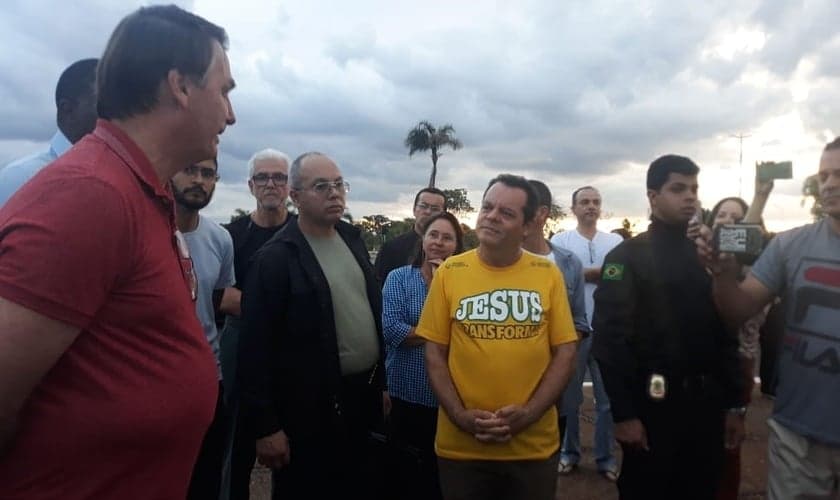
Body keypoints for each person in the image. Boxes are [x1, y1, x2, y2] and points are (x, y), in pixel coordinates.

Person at [0, 5, 236, 499]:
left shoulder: (139, 191)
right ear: (180, 86)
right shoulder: (90, 194)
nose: (231, 114)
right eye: (224, 91)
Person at [592, 155, 745, 500]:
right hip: (652, 409)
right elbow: (611, 340)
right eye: (678, 188)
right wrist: (624, 414)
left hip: (707, 408)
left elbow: (726, 331)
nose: (689, 196)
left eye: (694, 188)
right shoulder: (625, 258)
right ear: (652, 196)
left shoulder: (709, 255)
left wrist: (735, 404)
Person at [417, 174, 578, 500]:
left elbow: (565, 350)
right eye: (487, 207)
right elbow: (434, 351)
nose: (491, 216)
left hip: (531, 448)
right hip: (462, 447)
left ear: (529, 225)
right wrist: (460, 416)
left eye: (506, 212)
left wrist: (530, 413)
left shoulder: (547, 274)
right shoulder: (450, 272)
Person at [697, 138, 840, 499]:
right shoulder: (789, 246)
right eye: (823, 175)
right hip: (798, 433)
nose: (829, 184)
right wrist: (724, 274)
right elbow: (738, 309)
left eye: (839, 174)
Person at [238, 152, 386, 499]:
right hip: (308, 413)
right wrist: (267, 427)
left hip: (360, 400)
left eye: (338, 184)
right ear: (297, 196)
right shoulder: (276, 259)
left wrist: (382, 384)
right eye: (321, 186)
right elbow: (254, 350)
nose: (335, 193)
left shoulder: (351, 240)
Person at [219, 147, 294, 500]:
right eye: (262, 177)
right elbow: (223, 297)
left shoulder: (301, 235)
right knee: (234, 442)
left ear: (290, 186)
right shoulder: (231, 237)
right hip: (241, 348)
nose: (271, 184)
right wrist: (272, 308)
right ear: (250, 185)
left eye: (279, 177)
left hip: (292, 349)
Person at [382, 211, 464, 500]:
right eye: (434, 235)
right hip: (407, 391)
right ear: (423, 240)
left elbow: (467, 334)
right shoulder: (399, 278)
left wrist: (443, 284)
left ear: (457, 245)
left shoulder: (464, 283)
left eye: (447, 237)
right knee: (405, 476)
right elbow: (393, 331)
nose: (439, 243)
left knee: (441, 479)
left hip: (450, 398)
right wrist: (442, 332)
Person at [172, 158, 236, 500]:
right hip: (158, 379)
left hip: (210, 378)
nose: (198, 180)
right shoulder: (146, 231)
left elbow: (216, 299)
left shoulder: (220, 238)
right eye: (190, 170)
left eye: (207, 173)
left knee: (206, 478)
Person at [550, 186, 621, 480]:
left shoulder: (615, 241)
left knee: (607, 400)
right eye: (584, 202)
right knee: (570, 398)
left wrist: (583, 274)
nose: (591, 207)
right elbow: (556, 279)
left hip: (607, 333)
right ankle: (569, 453)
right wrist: (599, 272)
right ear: (573, 208)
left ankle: (605, 458)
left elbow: (621, 275)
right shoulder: (560, 241)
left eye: (595, 202)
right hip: (572, 332)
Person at [522, 179, 590, 441]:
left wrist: (556, 353)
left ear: (541, 213)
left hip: (557, 384)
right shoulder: (496, 260)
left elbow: (580, 322)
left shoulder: (569, 263)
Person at [0, 58, 98, 207]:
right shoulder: (20, 179)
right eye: (102, 105)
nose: (116, 115)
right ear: (67, 109)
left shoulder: (120, 180)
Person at [375, 187, 448, 284]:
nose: (428, 212)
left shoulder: (452, 251)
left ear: (444, 214)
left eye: (435, 209)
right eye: (423, 206)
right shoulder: (391, 249)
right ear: (414, 210)